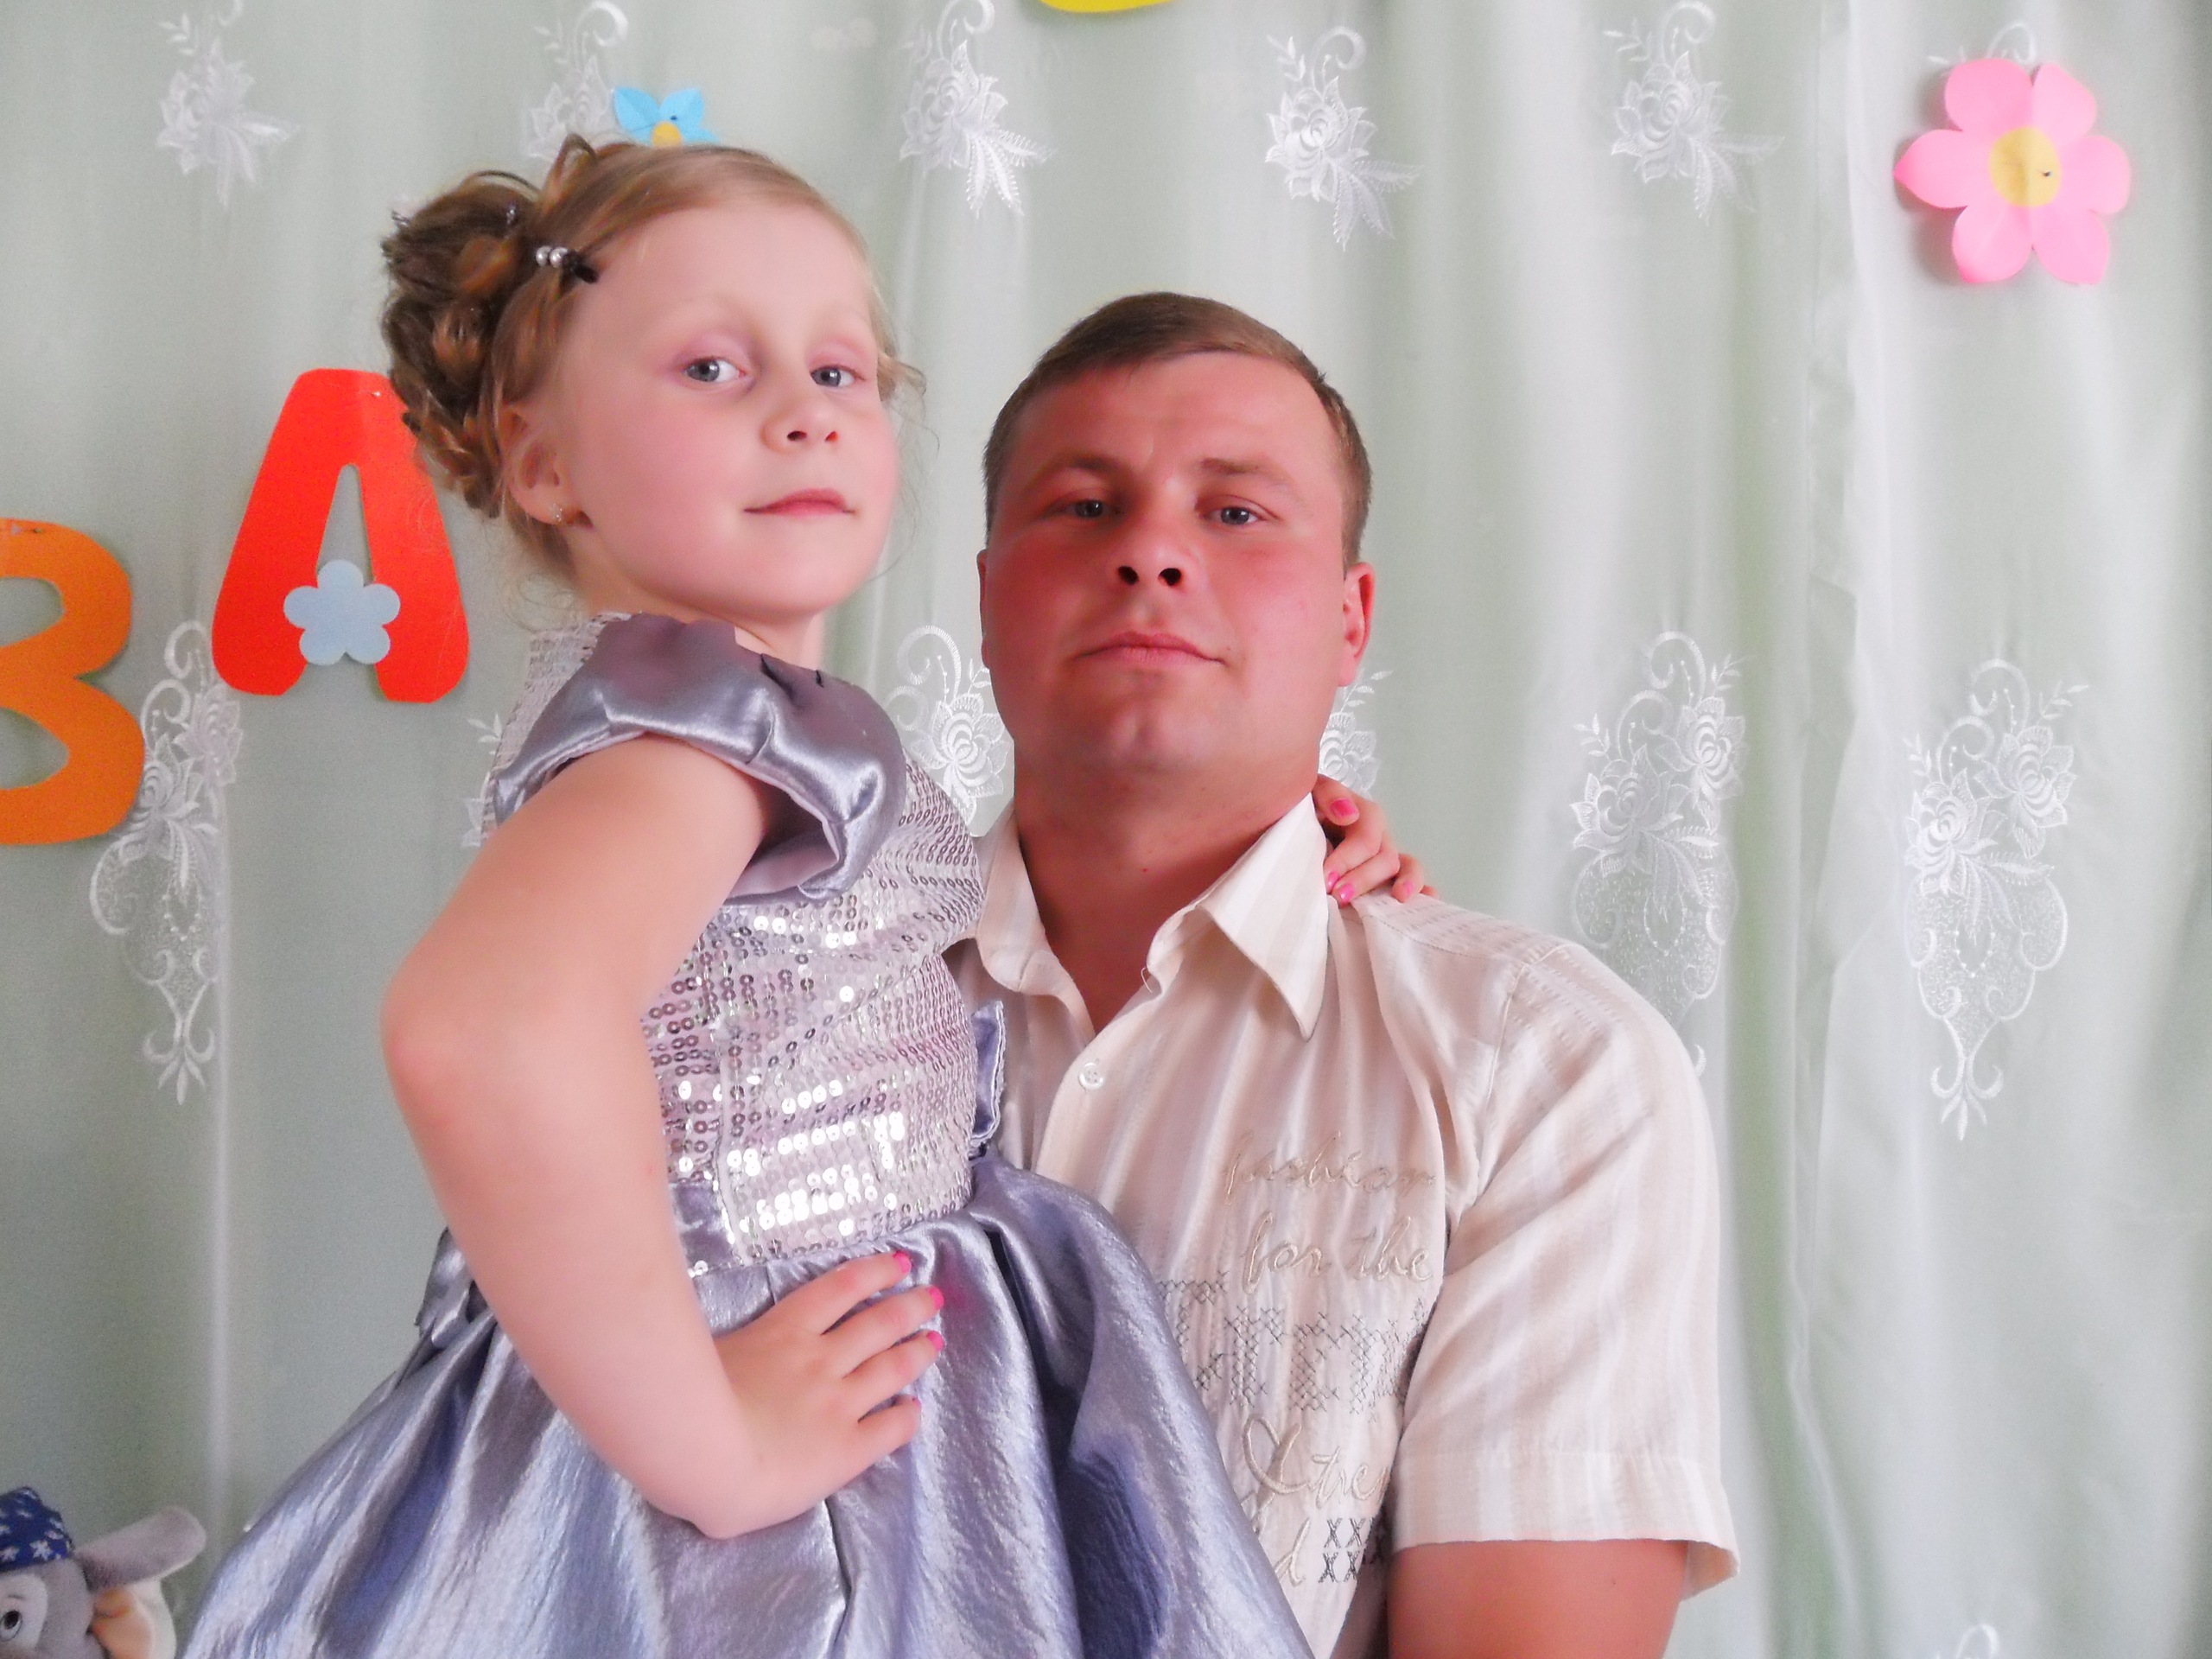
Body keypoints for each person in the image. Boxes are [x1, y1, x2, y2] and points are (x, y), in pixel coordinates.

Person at [183, 145, 1344, 1659]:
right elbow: (480, 1029)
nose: (802, 410)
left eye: (840, 371)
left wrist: (1309, 839)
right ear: (543, 463)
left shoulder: (715, 717)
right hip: (761, 1421)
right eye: (713, 368)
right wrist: (713, 1449)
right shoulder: (702, 732)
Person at [951, 293, 1739, 1659]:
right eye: (1084, 506)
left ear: (1350, 618)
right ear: (984, 598)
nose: (1150, 552)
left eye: (1237, 512)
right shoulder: (768, 1000)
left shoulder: (1545, 1071)